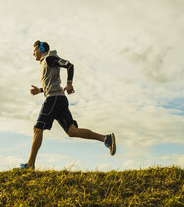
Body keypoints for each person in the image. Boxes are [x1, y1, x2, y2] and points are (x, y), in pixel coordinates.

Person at [20, 40, 116, 170]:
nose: (33, 53)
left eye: (35, 50)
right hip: (59, 99)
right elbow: (51, 85)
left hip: (53, 99)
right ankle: (106, 139)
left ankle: (30, 164)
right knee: (72, 131)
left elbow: (69, 65)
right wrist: (40, 90)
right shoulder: (46, 62)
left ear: (42, 48)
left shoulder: (50, 58)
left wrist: (69, 83)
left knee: (37, 129)